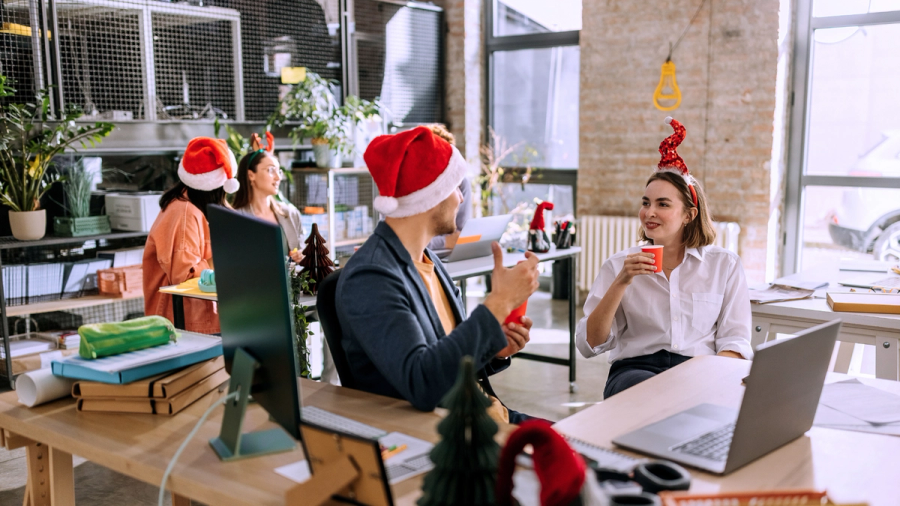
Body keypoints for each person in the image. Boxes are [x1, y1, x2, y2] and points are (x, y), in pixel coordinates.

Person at [337, 126, 541, 424]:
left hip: (488, 414)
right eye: (453, 186)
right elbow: (423, 384)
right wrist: (499, 303)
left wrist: (494, 350)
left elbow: (448, 357)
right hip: (456, 437)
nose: (460, 198)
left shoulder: (427, 260)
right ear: (429, 195)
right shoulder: (371, 278)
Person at [575, 117, 753, 399]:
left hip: (699, 368)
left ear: (688, 215)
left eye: (663, 204)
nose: (649, 212)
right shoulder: (618, 265)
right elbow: (589, 344)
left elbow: (735, 338)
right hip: (636, 369)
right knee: (646, 395)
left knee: (694, 401)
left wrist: (717, 379)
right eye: (646, 203)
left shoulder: (724, 265)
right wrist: (622, 281)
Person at [143, 137, 240, 334]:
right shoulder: (184, 213)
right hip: (183, 325)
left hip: (203, 321)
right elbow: (186, 276)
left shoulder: (200, 206)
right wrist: (227, 256)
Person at [231, 132, 306, 262]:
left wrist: (304, 255)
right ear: (251, 175)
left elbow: (305, 252)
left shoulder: (291, 214)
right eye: (271, 170)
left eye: (279, 171)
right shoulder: (235, 220)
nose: (278, 177)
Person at [424, 124, 472, 252]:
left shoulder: (462, 182)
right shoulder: (407, 191)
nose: (460, 198)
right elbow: (402, 240)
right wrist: (444, 241)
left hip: (445, 253)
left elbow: (460, 235)